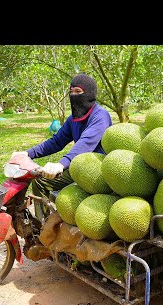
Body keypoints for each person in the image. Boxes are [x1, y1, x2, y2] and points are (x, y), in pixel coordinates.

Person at [11, 73, 112, 207]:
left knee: (51, 187)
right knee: (40, 180)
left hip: (99, 169)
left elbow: (85, 143)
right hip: (80, 165)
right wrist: (28, 153)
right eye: (71, 92)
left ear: (90, 94)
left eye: (78, 92)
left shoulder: (100, 116)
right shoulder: (73, 120)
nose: (74, 96)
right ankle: (44, 221)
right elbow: (56, 142)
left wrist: (61, 164)